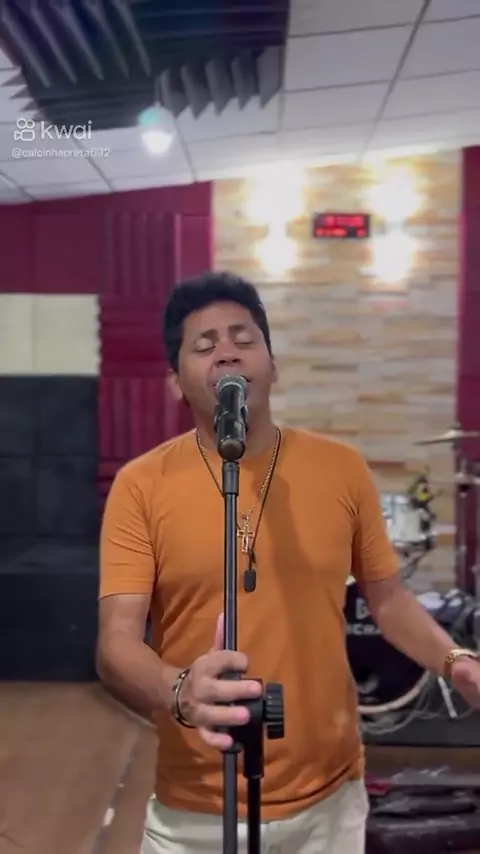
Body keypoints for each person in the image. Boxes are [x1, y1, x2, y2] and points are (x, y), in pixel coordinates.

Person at [97, 271, 480, 854]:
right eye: (204, 345)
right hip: (196, 807)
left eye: (244, 338)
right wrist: (178, 690)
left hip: (329, 802)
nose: (227, 352)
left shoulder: (341, 469)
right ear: (175, 381)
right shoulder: (140, 485)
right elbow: (116, 643)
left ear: (272, 365)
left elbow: (389, 601)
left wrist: (457, 662)